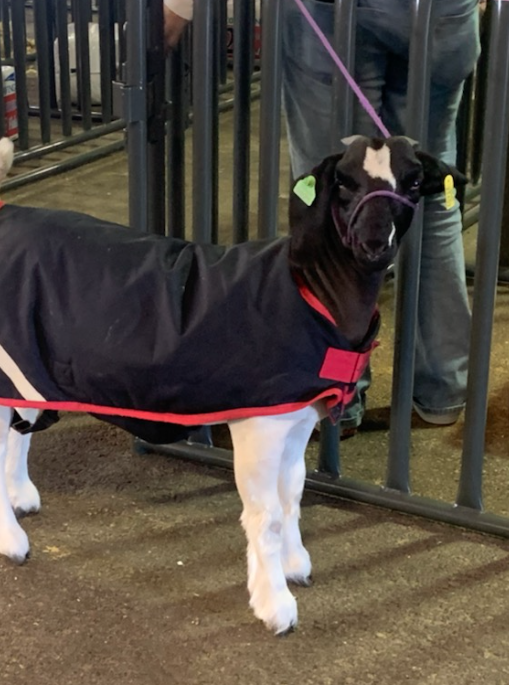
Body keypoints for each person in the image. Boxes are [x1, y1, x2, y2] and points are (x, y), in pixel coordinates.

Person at [163, 0, 479, 429]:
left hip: (333, 12)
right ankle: (444, 386)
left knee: (334, 198)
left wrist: (179, 6)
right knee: (425, 194)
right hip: (441, 12)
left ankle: (338, 394)